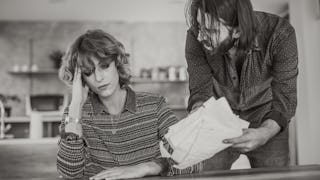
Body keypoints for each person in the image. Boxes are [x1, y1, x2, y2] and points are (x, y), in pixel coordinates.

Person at [57, 29, 202, 179]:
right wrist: (75, 106)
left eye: (104, 66)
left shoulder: (155, 106)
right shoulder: (74, 115)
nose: (98, 78)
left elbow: (193, 160)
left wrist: (147, 167)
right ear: (80, 79)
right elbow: (68, 175)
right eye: (88, 72)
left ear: (117, 63)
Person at [184, 0, 298, 169]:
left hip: (267, 119)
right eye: (200, 27)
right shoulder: (195, 36)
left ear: (237, 31)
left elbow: (285, 97)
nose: (201, 36)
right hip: (219, 121)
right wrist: (198, 113)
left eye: (210, 30)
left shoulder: (280, 34)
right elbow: (200, 89)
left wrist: (266, 132)